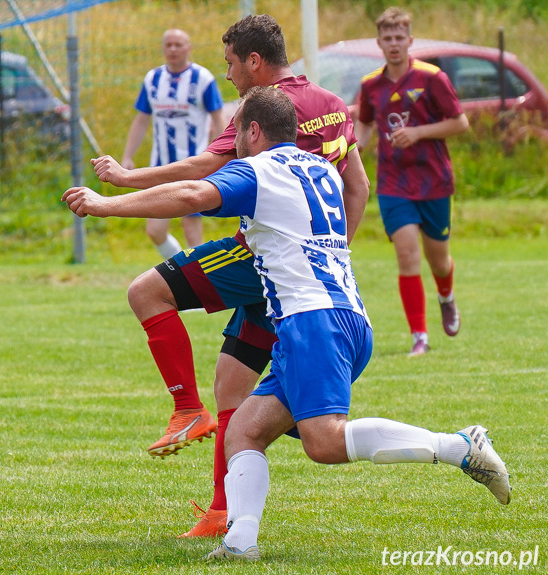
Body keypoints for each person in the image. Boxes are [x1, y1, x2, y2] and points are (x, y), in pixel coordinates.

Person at [63, 85, 511, 563]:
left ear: (254, 131)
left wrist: (104, 204)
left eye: (236, 133)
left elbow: (193, 192)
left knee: (325, 441)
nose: (231, 144)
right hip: (345, 317)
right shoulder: (319, 168)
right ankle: (240, 542)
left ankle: (459, 445)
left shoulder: (259, 170)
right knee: (244, 434)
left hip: (311, 322)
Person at [90, 14, 370, 538]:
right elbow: (359, 187)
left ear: (254, 61)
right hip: (311, 275)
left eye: (231, 65)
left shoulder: (259, 112)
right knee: (234, 387)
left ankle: (185, 409)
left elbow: (201, 173)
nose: (229, 77)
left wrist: (126, 180)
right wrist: (333, 252)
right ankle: (224, 513)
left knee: (147, 291)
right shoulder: (333, 104)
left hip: (260, 257)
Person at [354, 7, 469, 357]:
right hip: (393, 183)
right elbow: (365, 129)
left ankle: (446, 297)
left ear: (410, 41)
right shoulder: (370, 85)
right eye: (387, 38)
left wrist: (418, 132)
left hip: (433, 180)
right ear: (379, 42)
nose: (393, 44)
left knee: (439, 260)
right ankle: (419, 335)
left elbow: (460, 123)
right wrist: (348, 148)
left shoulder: (432, 78)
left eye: (399, 38)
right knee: (407, 255)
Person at [122, 29, 227, 259]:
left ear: (188, 47)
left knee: (192, 232)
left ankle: (201, 284)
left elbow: (218, 118)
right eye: (168, 44)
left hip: (193, 166)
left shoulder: (202, 78)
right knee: (155, 230)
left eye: (178, 44)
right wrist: (128, 156)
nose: (172, 49)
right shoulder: (153, 79)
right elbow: (141, 119)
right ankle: (183, 270)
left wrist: (219, 156)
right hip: (160, 167)